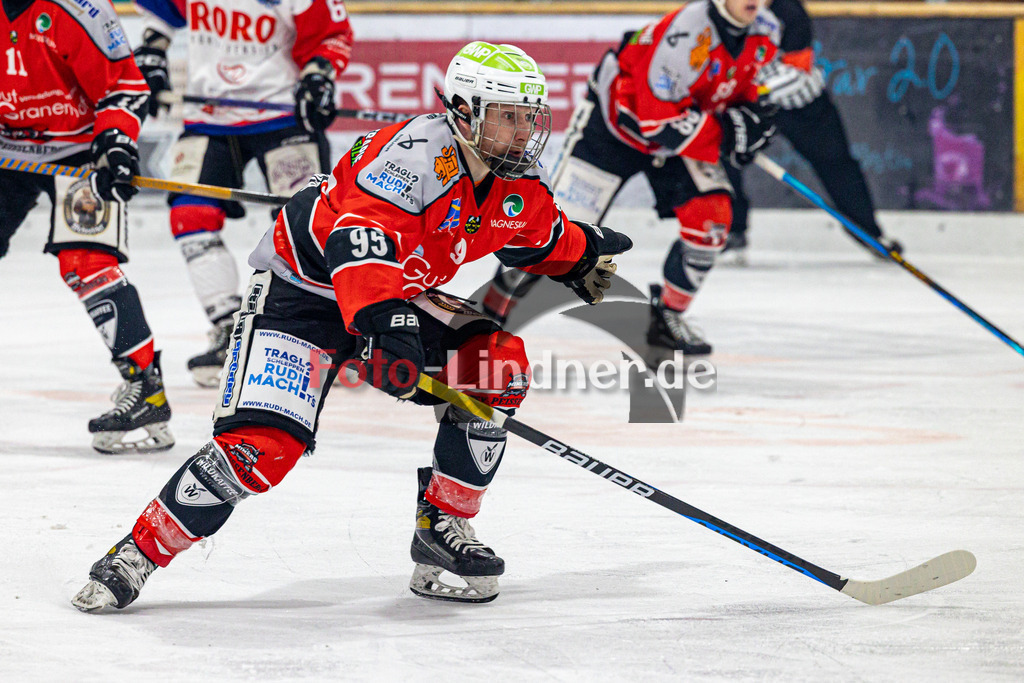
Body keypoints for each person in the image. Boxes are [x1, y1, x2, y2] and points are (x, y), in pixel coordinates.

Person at [71, 41, 632, 611]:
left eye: (529, 117)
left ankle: (443, 529)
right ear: (463, 112)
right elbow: (356, 243)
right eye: (507, 116)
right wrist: (387, 328)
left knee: (497, 366)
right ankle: (135, 553)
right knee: (260, 450)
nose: (522, 132)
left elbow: (534, 233)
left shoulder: (515, 179)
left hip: (389, 295)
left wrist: (580, 252)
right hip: (304, 295)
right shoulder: (414, 155)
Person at [480, 0, 780, 356]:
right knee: (543, 233)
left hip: (680, 137)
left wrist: (749, 120)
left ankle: (667, 317)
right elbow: (656, 122)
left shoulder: (767, 31)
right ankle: (487, 318)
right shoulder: (684, 34)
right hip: (613, 130)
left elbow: (746, 93)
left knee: (712, 220)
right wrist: (727, 135)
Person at [133, 0, 354, 387]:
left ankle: (328, 332)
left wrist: (319, 76)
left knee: (307, 225)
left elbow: (330, 34)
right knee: (190, 214)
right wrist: (153, 50)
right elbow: (163, 10)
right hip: (209, 115)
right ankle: (229, 329)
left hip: (282, 114)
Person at [0, 0, 173, 453]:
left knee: (87, 263)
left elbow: (125, 86)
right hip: (6, 150)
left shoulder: (80, 9)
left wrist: (115, 142)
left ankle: (146, 389)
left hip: (80, 151)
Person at [721, 0, 902, 265]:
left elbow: (796, 72)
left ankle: (869, 232)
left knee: (837, 164)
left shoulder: (789, 12)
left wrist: (748, 93)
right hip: (747, 108)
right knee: (721, 157)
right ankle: (732, 232)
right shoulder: (711, 14)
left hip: (801, 104)